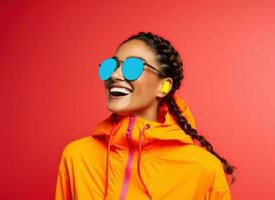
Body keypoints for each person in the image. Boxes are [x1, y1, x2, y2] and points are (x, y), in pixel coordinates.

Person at [55, 31, 236, 200]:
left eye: (132, 66)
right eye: (112, 66)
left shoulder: (204, 168)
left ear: (163, 86)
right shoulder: (77, 156)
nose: (115, 75)